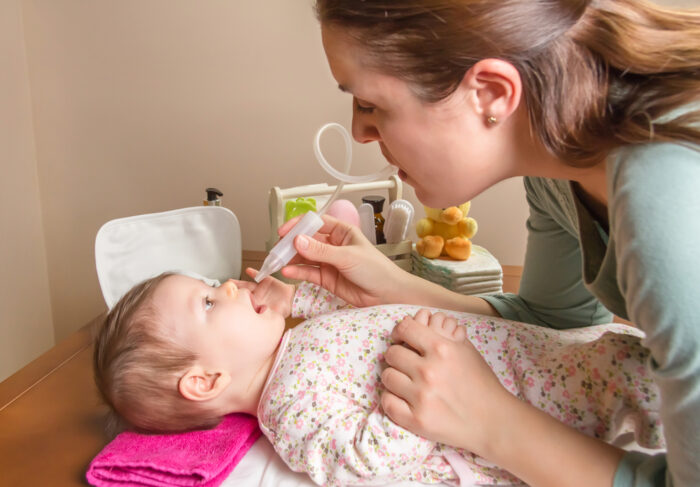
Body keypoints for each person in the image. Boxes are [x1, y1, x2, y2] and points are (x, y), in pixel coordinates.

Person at [275, 1, 700, 486]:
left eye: (370, 105)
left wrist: (490, 423)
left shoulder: (669, 200)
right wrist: (391, 288)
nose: (359, 131)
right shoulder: (558, 176)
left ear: (491, 92)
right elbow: (556, 321)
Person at [94, 271, 663, 486]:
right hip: (537, 401)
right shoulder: (289, 410)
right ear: (205, 381)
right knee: (636, 399)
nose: (232, 288)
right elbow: (362, 461)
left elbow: (344, 315)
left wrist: (302, 291)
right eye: (210, 304)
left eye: (214, 285)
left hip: (548, 355)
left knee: (626, 360)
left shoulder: (291, 340)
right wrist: (419, 407)